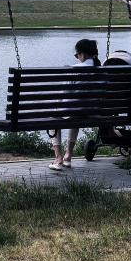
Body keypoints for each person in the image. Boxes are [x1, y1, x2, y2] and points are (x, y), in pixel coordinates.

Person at [49, 38, 101, 170]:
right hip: (92, 113)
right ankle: (68, 155)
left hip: (77, 112)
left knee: (54, 117)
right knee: (76, 114)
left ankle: (58, 158)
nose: (77, 58)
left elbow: (64, 94)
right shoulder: (101, 70)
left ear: (82, 54)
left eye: (77, 55)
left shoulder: (73, 69)